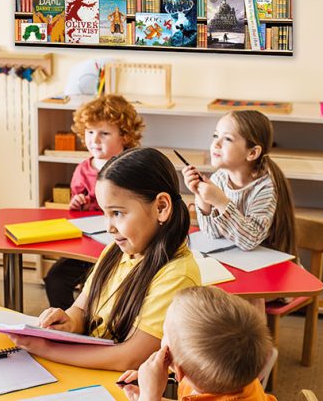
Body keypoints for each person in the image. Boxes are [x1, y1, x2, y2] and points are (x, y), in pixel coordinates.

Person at [11, 148, 201, 371]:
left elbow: (130, 358)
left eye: (118, 213)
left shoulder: (177, 275)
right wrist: (69, 321)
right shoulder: (115, 251)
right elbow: (82, 307)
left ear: (161, 207)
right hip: (90, 372)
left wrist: (46, 349)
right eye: (105, 213)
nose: (108, 227)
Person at [44, 94, 144, 309]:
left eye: (104, 133)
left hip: (126, 246)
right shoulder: (83, 169)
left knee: (114, 291)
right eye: (90, 132)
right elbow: (77, 210)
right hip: (88, 246)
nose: (94, 140)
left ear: (124, 136)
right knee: (55, 279)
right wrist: (76, 204)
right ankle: (69, 327)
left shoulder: (135, 167)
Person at [118, 286, 277, 401]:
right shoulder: (238, 375)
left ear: (180, 370)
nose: (162, 334)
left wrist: (149, 396)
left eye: (165, 331)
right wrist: (150, 387)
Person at [182, 110, 296, 256]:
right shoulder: (219, 178)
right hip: (234, 261)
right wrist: (201, 198)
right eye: (216, 135)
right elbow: (212, 233)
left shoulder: (265, 188)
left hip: (264, 266)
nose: (216, 143)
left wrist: (221, 202)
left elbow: (249, 241)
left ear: (252, 153)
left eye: (227, 139)